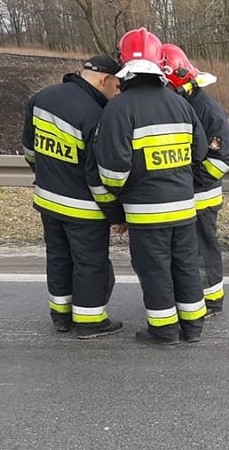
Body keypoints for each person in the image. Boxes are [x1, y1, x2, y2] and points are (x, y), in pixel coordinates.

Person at [94, 28, 208, 346]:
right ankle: (193, 326)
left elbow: (113, 170)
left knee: (155, 269)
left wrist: (118, 202)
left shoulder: (118, 108)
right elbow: (199, 153)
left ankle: (164, 330)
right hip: (184, 208)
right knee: (185, 265)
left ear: (123, 63)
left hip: (146, 213)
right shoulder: (180, 104)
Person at [21, 55, 125, 338]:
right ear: (104, 79)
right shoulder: (94, 115)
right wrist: (115, 214)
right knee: (90, 263)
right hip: (83, 208)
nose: (117, 92)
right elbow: (96, 176)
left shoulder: (42, 97)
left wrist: (45, 175)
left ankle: (61, 316)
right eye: (117, 86)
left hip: (47, 200)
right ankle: (90, 321)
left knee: (58, 257)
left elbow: (30, 149)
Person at [161, 43, 229, 317]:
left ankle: (212, 300)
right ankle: (190, 296)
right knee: (184, 252)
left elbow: (222, 158)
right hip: (183, 196)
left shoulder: (206, 108)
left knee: (203, 248)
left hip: (201, 197)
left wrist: (187, 181)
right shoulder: (181, 105)